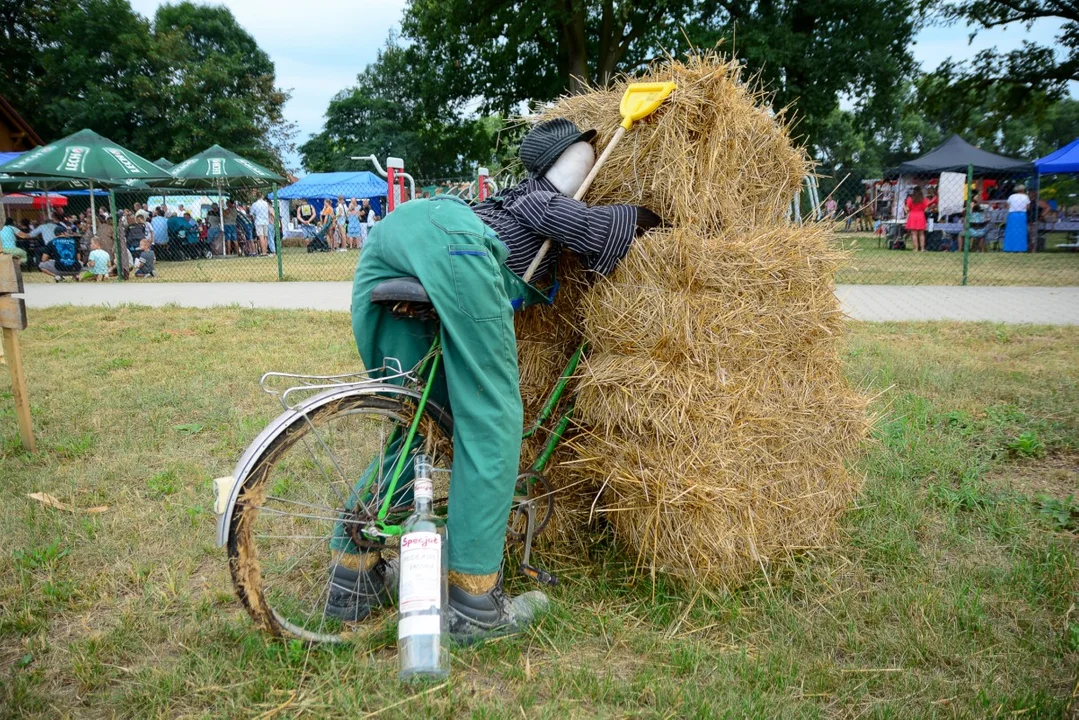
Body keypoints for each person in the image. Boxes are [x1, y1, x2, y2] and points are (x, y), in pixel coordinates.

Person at [332, 119, 662, 642]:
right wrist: (650, 220)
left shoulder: (503, 201)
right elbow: (595, 230)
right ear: (565, 167)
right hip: (450, 243)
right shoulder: (537, 199)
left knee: (425, 423)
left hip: (391, 242)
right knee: (491, 421)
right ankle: (475, 603)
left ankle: (352, 576)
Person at [904, 186, 934, 252]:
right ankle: (922, 248)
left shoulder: (910, 199)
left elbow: (907, 209)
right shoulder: (924, 199)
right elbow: (926, 209)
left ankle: (916, 248)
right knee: (921, 234)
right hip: (921, 215)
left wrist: (904, 206)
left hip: (912, 215)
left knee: (914, 234)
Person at [1003, 184, 1030, 253]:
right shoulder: (1025, 197)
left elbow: (1006, 205)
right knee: (1021, 232)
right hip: (1022, 214)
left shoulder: (1011, 196)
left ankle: (1010, 248)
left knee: (1011, 231)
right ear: (1023, 190)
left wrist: (1012, 208)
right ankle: (1020, 248)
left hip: (1013, 214)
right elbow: (1028, 206)